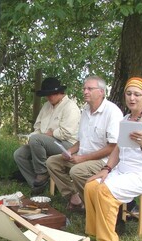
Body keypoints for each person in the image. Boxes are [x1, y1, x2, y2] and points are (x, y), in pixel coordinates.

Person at [84, 77, 142, 241]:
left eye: (137, 94)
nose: (132, 98)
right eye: (129, 94)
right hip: (123, 171)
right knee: (91, 185)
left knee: (104, 191)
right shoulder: (127, 118)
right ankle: (94, 232)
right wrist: (106, 169)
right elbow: (118, 149)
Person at [46, 75, 123, 211]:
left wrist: (83, 158)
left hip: (104, 161)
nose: (85, 91)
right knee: (52, 162)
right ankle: (74, 198)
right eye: (84, 88)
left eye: (90, 89)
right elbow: (81, 141)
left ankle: (93, 207)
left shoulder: (112, 112)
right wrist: (69, 151)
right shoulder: (86, 110)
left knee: (77, 171)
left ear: (101, 92)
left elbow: (113, 147)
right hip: (83, 157)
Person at [13, 77, 80, 194]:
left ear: (60, 92)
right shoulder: (46, 106)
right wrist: (31, 138)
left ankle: (42, 172)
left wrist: (50, 134)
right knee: (19, 154)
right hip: (43, 141)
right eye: (47, 95)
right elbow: (38, 128)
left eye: (51, 94)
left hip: (67, 146)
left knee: (37, 140)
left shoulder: (71, 107)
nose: (49, 97)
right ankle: (36, 185)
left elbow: (66, 133)